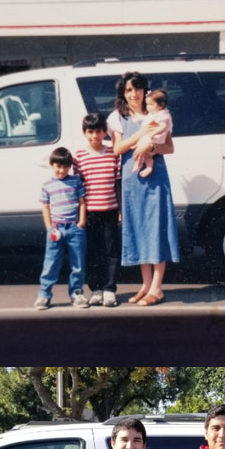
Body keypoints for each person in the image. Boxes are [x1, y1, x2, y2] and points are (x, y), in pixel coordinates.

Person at [107, 71, 179, 307]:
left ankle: (157, 288)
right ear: (123, 94)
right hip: (132, 181)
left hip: (155, 178)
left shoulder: (157, 113)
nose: (133, 94)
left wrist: (150, 147)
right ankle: (146, 285)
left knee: (157, 229)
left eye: (137, 88)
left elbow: (169, 147)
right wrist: (141, 135)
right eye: (128, 90)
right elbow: (117, 149)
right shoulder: (118, 117)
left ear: (144, 90)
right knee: (138, 230)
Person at [73, 112, 121, 308]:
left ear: (105, 133)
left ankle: (109, 289)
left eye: (98, 132)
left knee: (111, 250)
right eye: (90, 132)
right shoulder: (79, 157)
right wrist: (80, 214)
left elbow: (117, 184)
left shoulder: (112, 154)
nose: (94, 136)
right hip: (90, 212)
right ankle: (96, 289)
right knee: (93, 251)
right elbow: (78, 189)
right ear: (85, 133)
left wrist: (120, 209)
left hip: (110, 209)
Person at [34, 146, 88, 310]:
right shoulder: (47, 185)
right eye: (58, 166)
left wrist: (81, 223)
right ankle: (44, 294)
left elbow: (82, 203)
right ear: (51, 164)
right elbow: (45, 207)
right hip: (56, 229)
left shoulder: (75, 181)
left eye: (66, 166)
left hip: (74, 229)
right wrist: (49, 227)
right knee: (51, 263)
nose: (62, 170)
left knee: (77, 264)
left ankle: (76, 293)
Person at [132, 89, 172, 178]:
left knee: (143, 152)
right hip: (152, 139)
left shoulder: (162, 114)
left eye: (151, 104)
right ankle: (146, 166)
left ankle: (141, 164)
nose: (148, 107)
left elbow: (163, 127)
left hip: (156, 139)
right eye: (147, 104)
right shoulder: (154, 113)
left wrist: (151, 134)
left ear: (161, 105)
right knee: (145, 154)